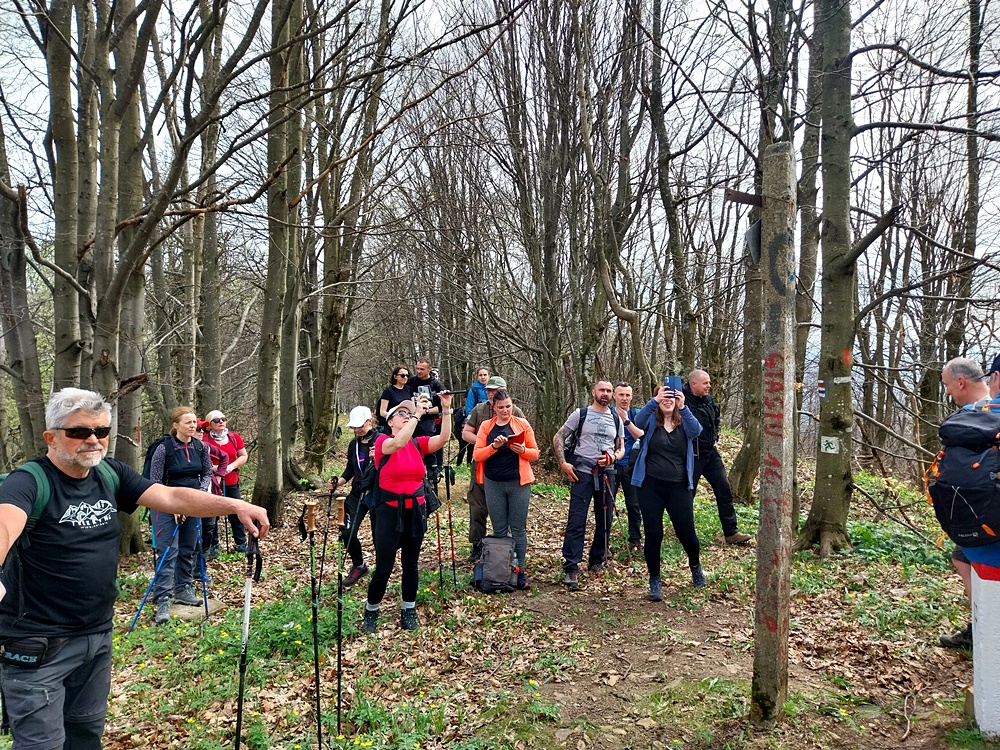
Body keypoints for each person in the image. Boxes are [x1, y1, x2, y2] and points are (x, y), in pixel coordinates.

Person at [0, 387, 269, 749]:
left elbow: (170, 496)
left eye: (101, 431)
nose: (93, 440)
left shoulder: (109, 474)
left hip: (96, 636)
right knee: (41, 745)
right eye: (79, 431)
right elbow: (5, 524)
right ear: (51, 437)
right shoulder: (29, 482)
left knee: (85, 736)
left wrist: (234, 506)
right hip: (38, 645)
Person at [362, 391, 454, 633]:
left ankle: (408, 610)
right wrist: (416, 414)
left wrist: (446, 409)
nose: (406, 416)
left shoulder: (417, 443)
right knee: (384, 566)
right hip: (389, 512)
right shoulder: (382, 442)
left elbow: (443, 438)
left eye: (408, 413)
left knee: (411, 564)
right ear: (390, 421)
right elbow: (397, 443)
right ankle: (371, 611)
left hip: (416, 510)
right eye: (401, 413)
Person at [938, 356, 1000, 650]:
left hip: (981, 521)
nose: (948, 392)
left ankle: (982, 626)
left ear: (961, 382)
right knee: (962, 558)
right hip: (981, 517)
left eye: (948, 385)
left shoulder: (968, 418)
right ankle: (979, 624)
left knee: (971, 561)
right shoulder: (979, 415)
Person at [631, 384, 705, 599]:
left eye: (671, 396)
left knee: (687, 534)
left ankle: (695, 567)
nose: (667, 400)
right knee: (654, 534)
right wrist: (654, 401)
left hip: (679, 487)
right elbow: (637, 422)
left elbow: (697, 431)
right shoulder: (650, 421)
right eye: (663, 396)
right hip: (650, 487)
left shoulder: (685, 423)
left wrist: (683, 407)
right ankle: (655, 581)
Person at [553, 380, 625, 589]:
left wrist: (613, 457)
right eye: (602, 390)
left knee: (605, 520)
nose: (605, 393)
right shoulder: (581, 414)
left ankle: (597, 560)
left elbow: (621, 448)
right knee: (577, 519)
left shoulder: (616, 418)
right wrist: (563, 463)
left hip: (607, 474)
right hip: (582, 473)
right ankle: (571, 566)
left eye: (609, 391)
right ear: (594, 392)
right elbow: (559, 437)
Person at [148, 406, 214, 622]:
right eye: (188, 422)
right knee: (168, 550)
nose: (193, 426)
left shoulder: (200, 447)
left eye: (194, 422)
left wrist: (198, 496)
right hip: (165, 504)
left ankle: (183, 589)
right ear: (176, 425)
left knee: (188, 547)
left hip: (192, 503)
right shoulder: (163, 448)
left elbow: (206, 474)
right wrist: (173, 506)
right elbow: (155, 481)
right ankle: (162, 598)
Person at [472, 388, 539, 589]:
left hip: (518, 482)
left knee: (518, 528)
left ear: (512, 405)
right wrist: (493, 447)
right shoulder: (486, 426)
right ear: (494, 408)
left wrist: (522, 450)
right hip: (494, 482)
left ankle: (520, 572)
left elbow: (535, 453)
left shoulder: (522, 424)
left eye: (508, 406)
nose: (505, 410)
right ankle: (502, 571)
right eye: (500, 407)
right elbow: (477, 455)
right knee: (499, 529)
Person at [683, 370, 752, 546]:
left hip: (710, 452)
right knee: (688, 493)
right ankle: (684, 531)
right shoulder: (682, 401)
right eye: (705, 383)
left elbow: (716, 418)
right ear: (693, 384)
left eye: (709, 382)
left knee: (724, 488)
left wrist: (716, 437)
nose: (709, 386)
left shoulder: (709, 400)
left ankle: (731, 532)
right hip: (692, 453)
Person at [462, 376, 525, 563]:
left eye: (496, 390)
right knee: (478, 508)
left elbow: (526, 438)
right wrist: (485, 442)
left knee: (511, 517)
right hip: (482, 466)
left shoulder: (515, 412)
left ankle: (511, 554)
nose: (491, 393)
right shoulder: (479, 410)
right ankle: (477, 546)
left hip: (509, 471)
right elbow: (466, 433)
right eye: (489, 390)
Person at [332, 405, 378, 589]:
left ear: (369, 421)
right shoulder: (354, 444)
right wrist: (338, 482)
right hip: (357, 493)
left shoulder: (382, 440)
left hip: (377, 494)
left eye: (360, 425)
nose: (357, 429)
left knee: (379, 536)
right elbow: (351, 469)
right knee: (347, 531)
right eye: (354, 427)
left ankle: (382, 570)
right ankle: (359, 566)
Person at [202, 409, 249, 552]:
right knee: (213, 514)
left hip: (231, 480)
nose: (221, 422)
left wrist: (231, 466)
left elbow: (243, 455)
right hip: (212, 483)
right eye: (216, 420)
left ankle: (241, 543)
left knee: (236, 512)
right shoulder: (204, 439)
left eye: (223, 419)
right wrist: (215, 468)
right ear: (209, 424)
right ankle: (213, 545)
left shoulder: (234, 437)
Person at [613, 382, 645, 552]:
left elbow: (642, 435)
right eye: (621, 395)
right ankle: (603, 541)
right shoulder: (607, 413)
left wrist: (626, 421)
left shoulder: (638, 414)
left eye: (627, 395)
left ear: (632, 397)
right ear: (614, 396)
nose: (624, 398)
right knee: (606, 505)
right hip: (611, 465)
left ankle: (635, 540)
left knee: (634, 504)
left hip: (632, 466)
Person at [407, 357, 446, 472]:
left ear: (429, 369)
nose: (419, 371)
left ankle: (432, 471)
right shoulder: (411, 382)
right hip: (412, 418)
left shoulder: (436, 385)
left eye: (422, 369)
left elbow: (440, 407)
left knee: (428, 445)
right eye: (417, 368)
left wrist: (425, 411)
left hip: (428, 420)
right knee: (411, 444)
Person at [198, 420, 230, 562]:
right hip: (190, 498)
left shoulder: (206, 447)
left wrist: (218, 475)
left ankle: (202, 564)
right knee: (194, 533)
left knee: (208, 529)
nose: (201, 432)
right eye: (198, 429)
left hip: (209, 495)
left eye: (202, 429)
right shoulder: (178, 449)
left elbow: (224, 457)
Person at [379, 364, 412, 429]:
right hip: (392, 426)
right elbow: (382, 412)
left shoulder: (409, 389)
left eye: (407, 376)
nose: (405, 377)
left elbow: (412, 408)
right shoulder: (388, 391)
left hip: (407, 424)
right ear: (395, 376)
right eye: (402, 375)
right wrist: (394, 418)